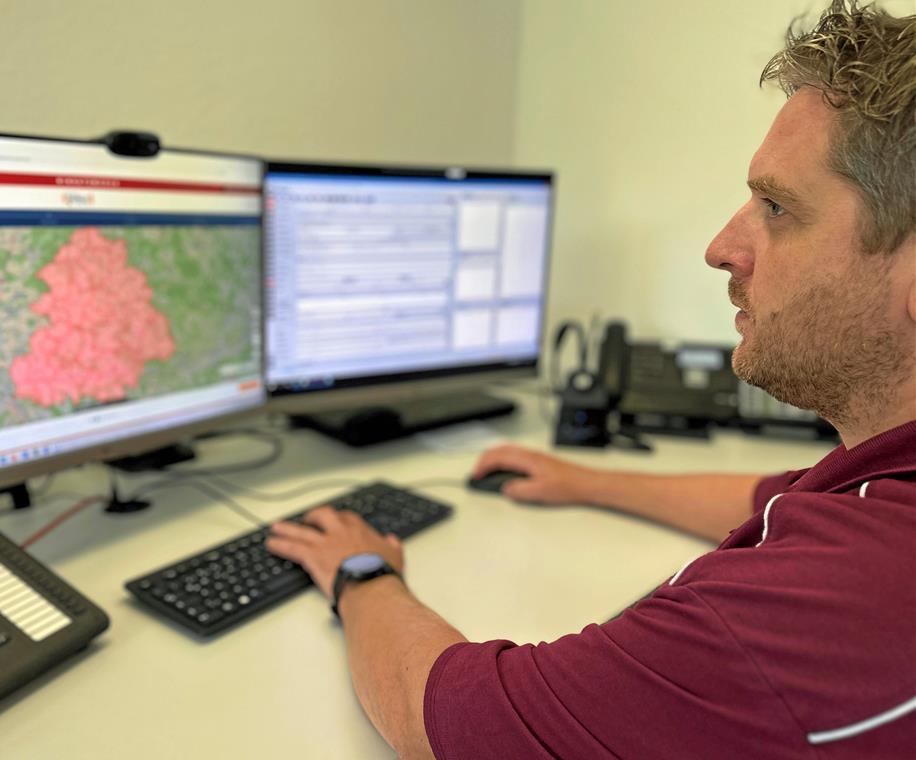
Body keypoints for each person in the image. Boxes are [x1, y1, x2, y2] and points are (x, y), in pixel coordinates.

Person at [265, 1, 916, 757]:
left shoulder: (826, 608)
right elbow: (771, 498)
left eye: (776, 207)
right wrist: (584, 480)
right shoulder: (883, 502)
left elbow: (440, 719)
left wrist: (362, 570)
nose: (720, 247)